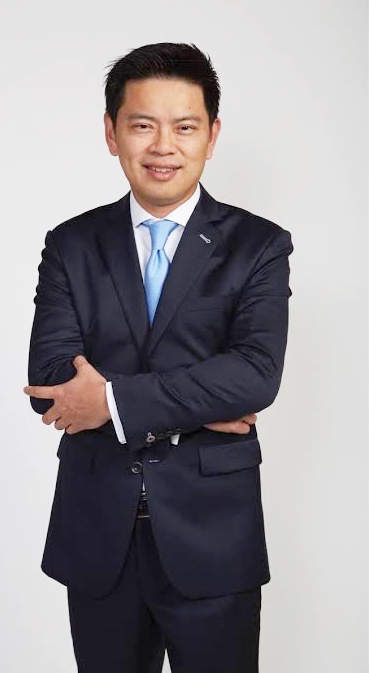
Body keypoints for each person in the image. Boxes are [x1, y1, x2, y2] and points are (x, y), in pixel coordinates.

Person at [24, 42, 293, 673]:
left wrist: (114, 402)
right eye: (143, 125)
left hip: (212, 535)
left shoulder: (258, 245)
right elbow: (52, 381)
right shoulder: (71, 244)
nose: (163, 146)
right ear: (112, 133)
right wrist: (200, 404)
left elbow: (255, 375)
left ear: (212, 135)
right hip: (99, 534)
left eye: (185, 127)